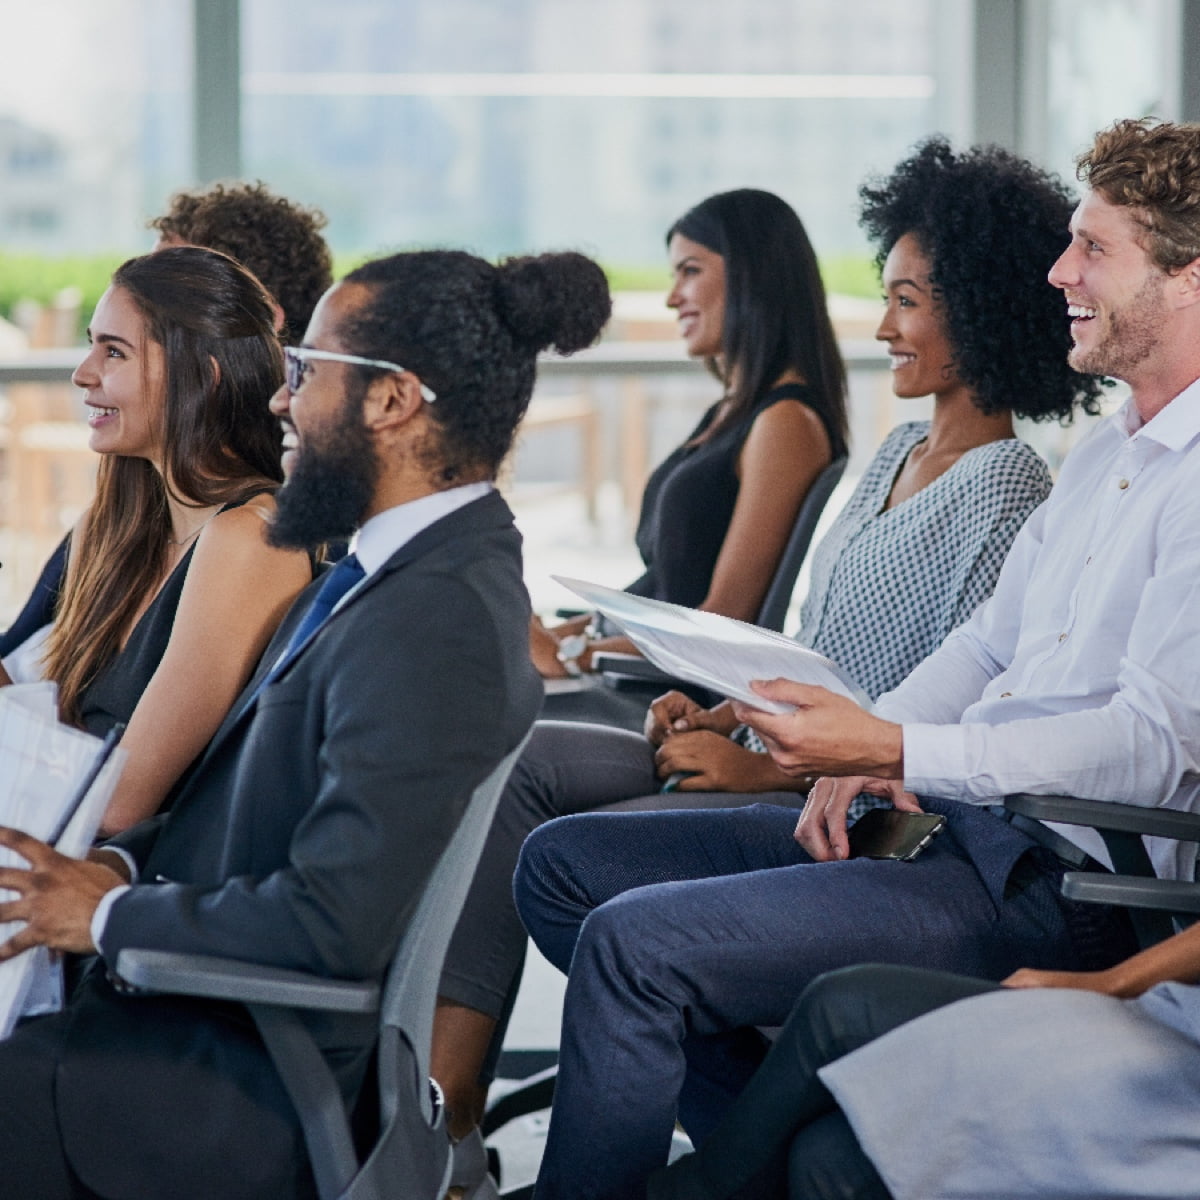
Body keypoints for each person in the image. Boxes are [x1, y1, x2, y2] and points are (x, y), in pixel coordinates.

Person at [512, 117, 1200, 1200]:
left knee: (634, 948)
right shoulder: (1112, 445)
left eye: (1095, 249)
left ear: (1187, 277)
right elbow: (987, 642)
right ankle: (764, 1155)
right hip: (956, 828)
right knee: (558, 869)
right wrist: (864, 753)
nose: (1061, 271)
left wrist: (899, 744)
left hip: (1057, 880)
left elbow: (1152, 746)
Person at [0, 246, 611, 1200]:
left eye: (306, 372)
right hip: (178, 1019)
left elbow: (336, 921)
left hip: (221, 1085)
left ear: (393, 400)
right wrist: (113, 868)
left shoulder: (439, 613)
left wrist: (105, 913)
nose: (279, 402)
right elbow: (244, 808)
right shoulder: (393, 572)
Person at [8, 248, 313, 835]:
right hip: (51, 848)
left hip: (126, 886)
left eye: (114, 351)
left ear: (204, 373)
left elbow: (120, 802)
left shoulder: (248, 537)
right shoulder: (126, 523)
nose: (83, 373)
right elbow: (63, 732)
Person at [530, 189, 848, 700]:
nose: (672, 296)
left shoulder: (785, 423)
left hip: (672, 700)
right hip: (642, 675)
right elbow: (663, 589)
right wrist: (568, 633)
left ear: (752, 276)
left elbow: (724, 622)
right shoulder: (733, 413)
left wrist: (574, 655)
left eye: (690, 270)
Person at [0, 180, 336, 661]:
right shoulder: (131, 500)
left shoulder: (264, 530)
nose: (83, 374)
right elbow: (39, 675)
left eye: (177, 279)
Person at [650, 916, 1200, 1200]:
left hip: (1174, 1064)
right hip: (1177, 1006)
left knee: (838, 1018)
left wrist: (1112, 984)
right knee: (825, 1154)